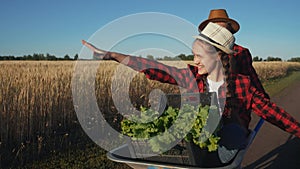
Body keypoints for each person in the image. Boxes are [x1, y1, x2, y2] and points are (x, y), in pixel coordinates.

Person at [82, 22, 300, 167]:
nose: (194, 60)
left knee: (230, 135)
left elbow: (274, 113)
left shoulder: (242, 85)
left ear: (218, 56)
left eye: (198, 56)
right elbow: (155, 68)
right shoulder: (192, 77)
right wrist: (112, 55)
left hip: (227, 140)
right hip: (200, 141)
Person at [198, 9, 270, 99]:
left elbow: (252, 78)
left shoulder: (241, 52)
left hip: (236, 103)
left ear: (229, 32)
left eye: (222, 30)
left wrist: (263, 99)